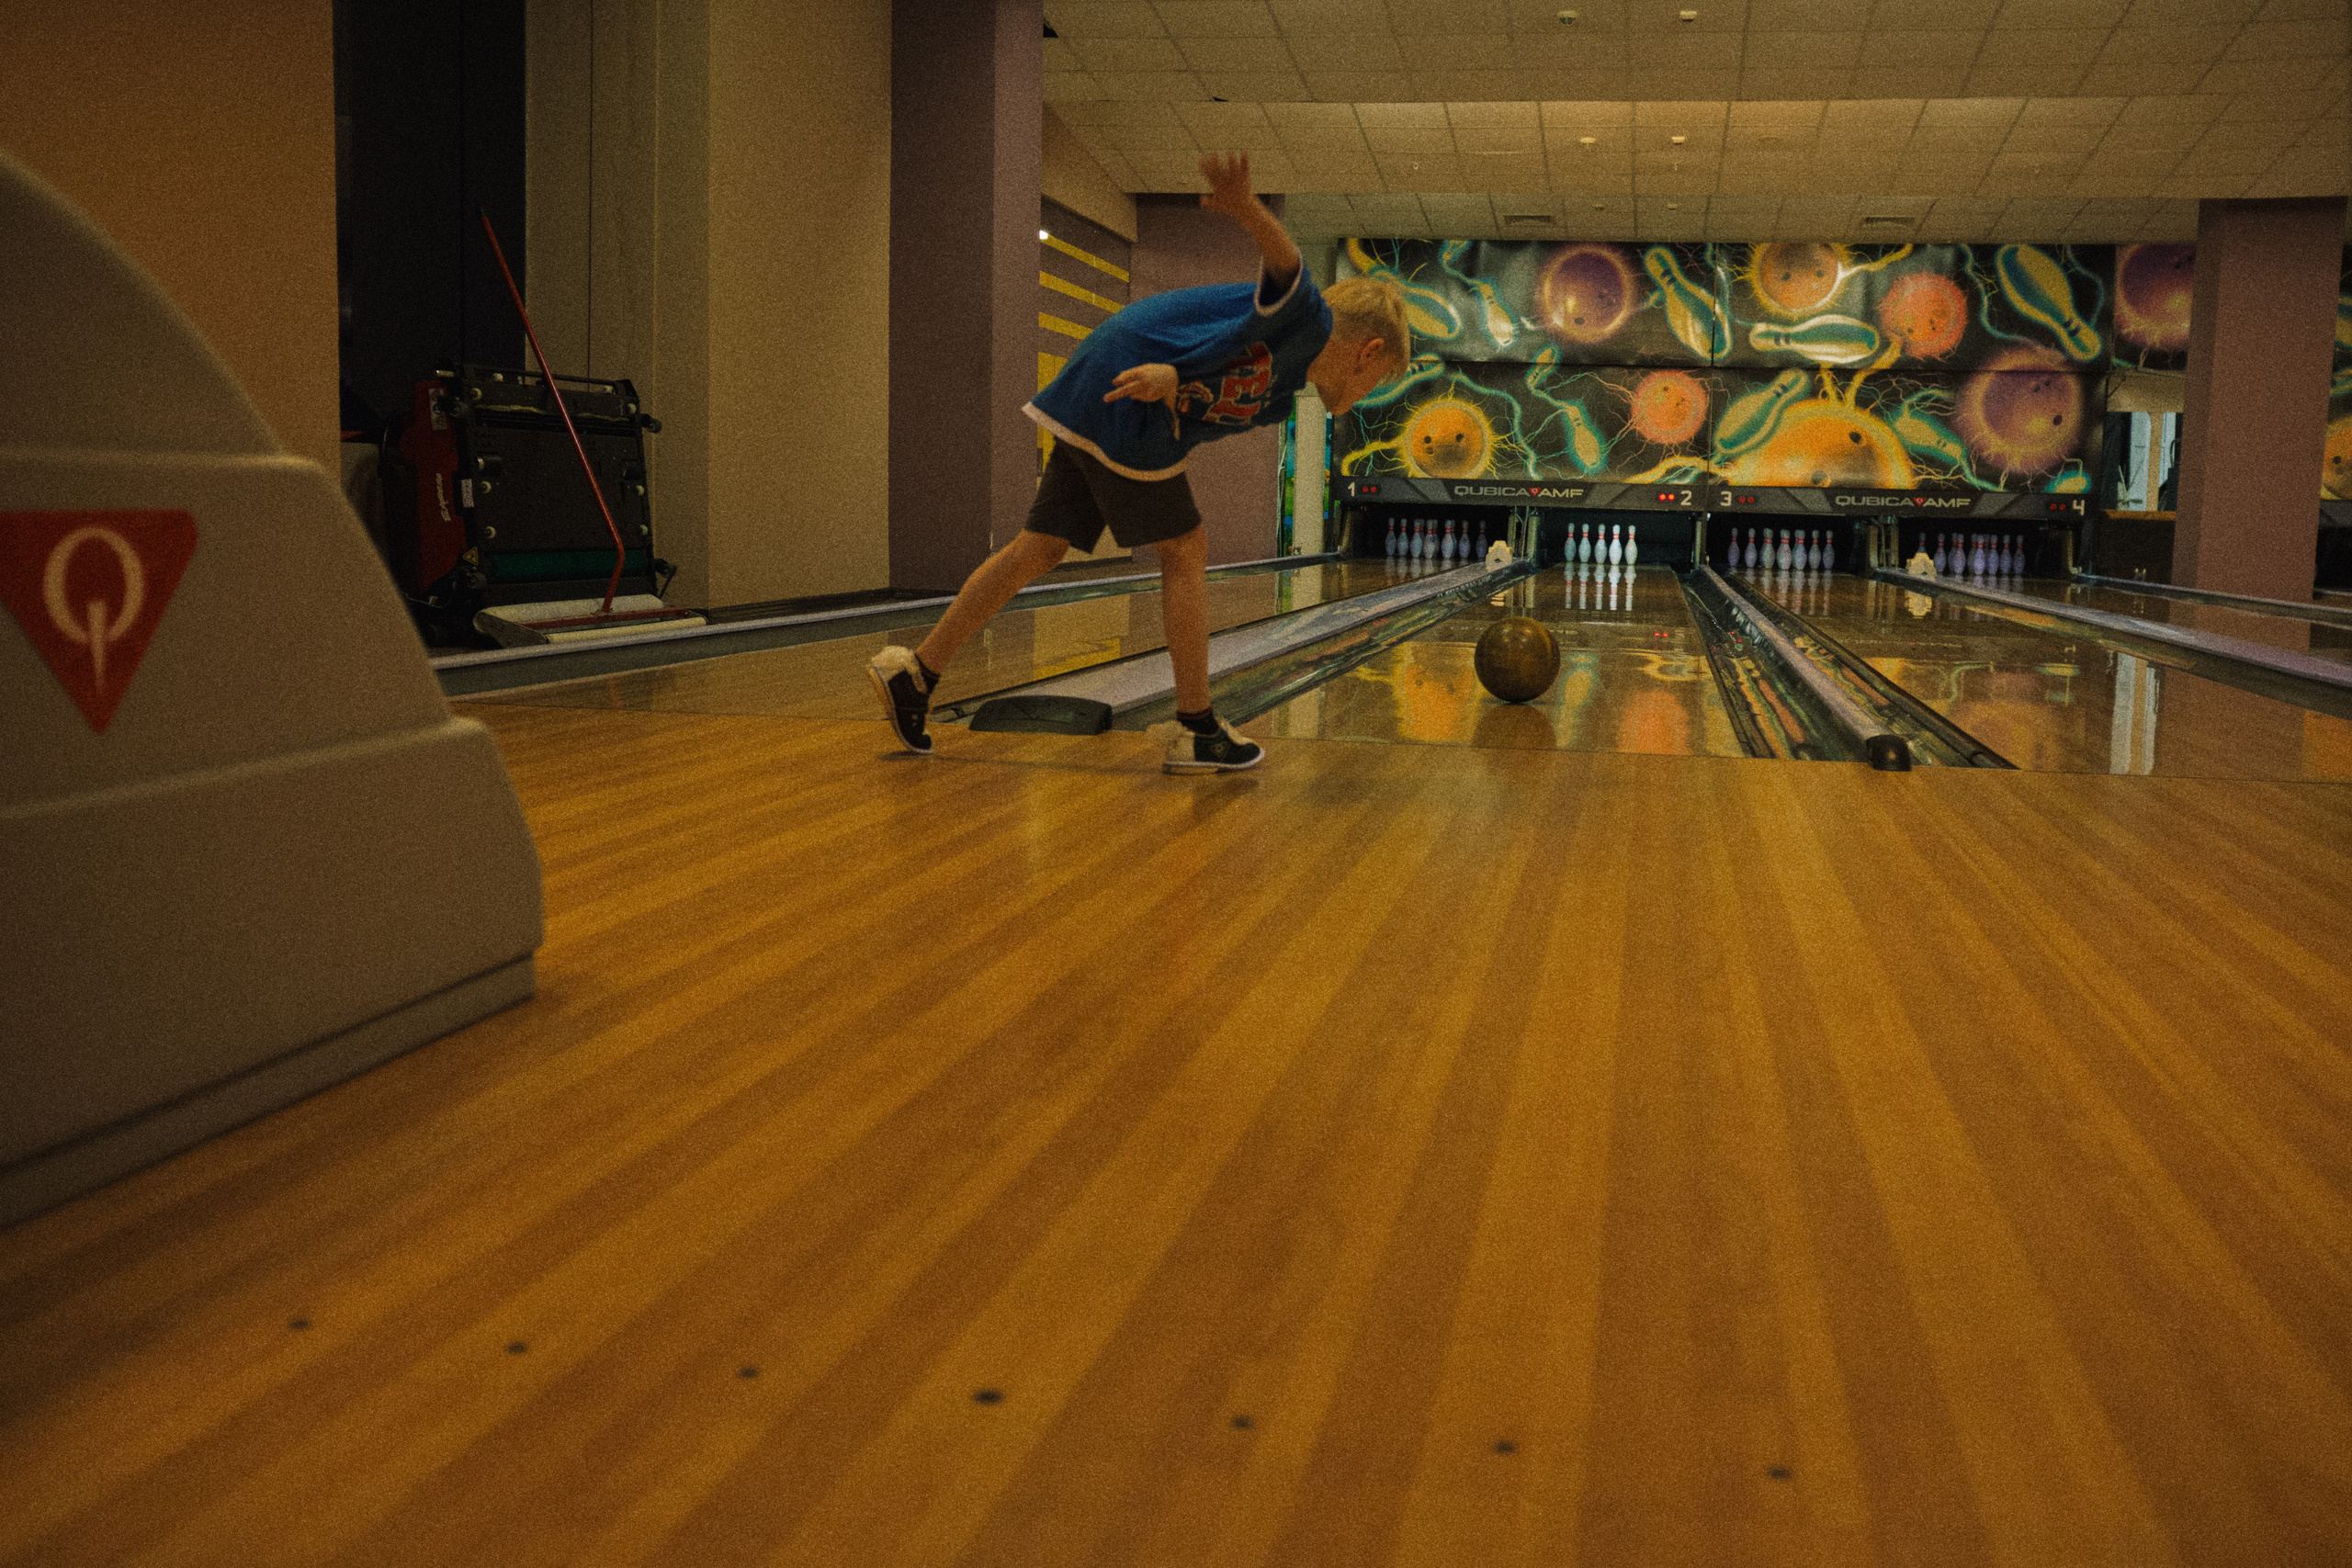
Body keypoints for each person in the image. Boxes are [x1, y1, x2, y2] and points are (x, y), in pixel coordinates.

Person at [867, 152, 1409, 773]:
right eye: (1376, 381)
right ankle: (1196, 725)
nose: (1363, 397)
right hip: (1123, 379)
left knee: (1038, 548)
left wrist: (1176, 378)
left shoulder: (1281, 398)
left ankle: (917, 674)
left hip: (1116, 386)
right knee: (1186, 547)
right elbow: (1288, 268)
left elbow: (1207, 383)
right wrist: (1246, 208)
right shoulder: (1308, 321)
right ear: (1367, 351)